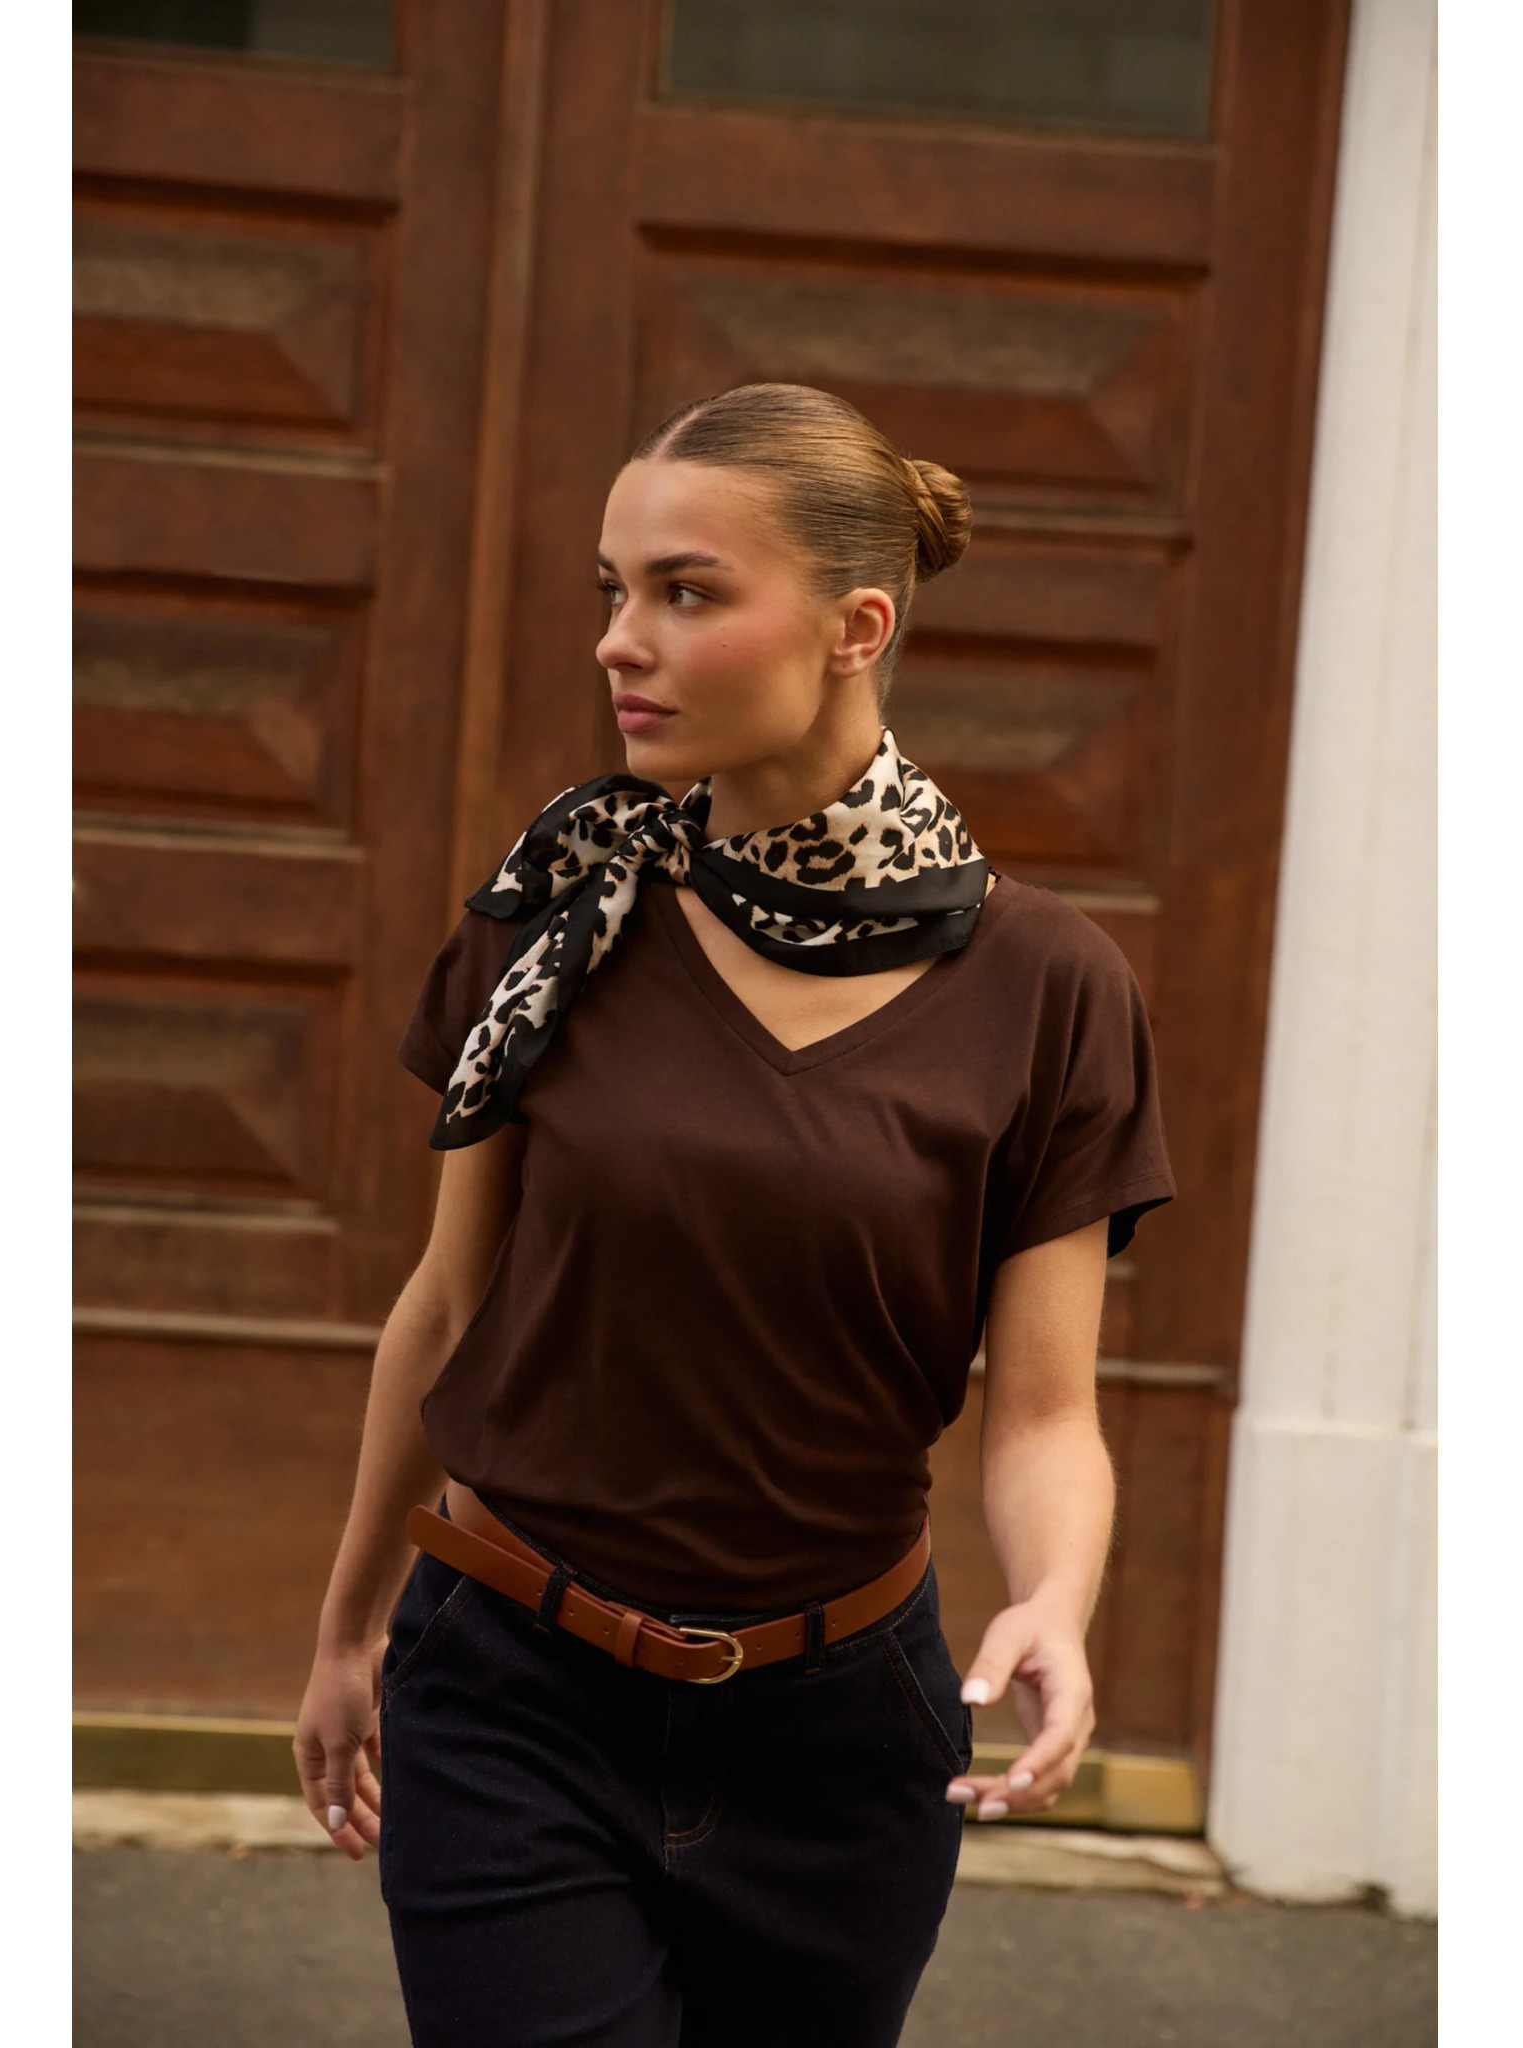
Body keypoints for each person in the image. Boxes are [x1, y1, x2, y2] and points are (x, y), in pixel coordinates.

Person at [293, 382, 1174, 2048]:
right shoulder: (561, 915)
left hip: (845, 1738)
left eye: (686, 593)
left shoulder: (1051, 989)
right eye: (614, 589)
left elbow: (1046, 1410)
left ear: (855, 629)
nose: (619, 640)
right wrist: (346, 1631)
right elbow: (449, 1302)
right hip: (513, 1690)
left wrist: (1055, 1598)